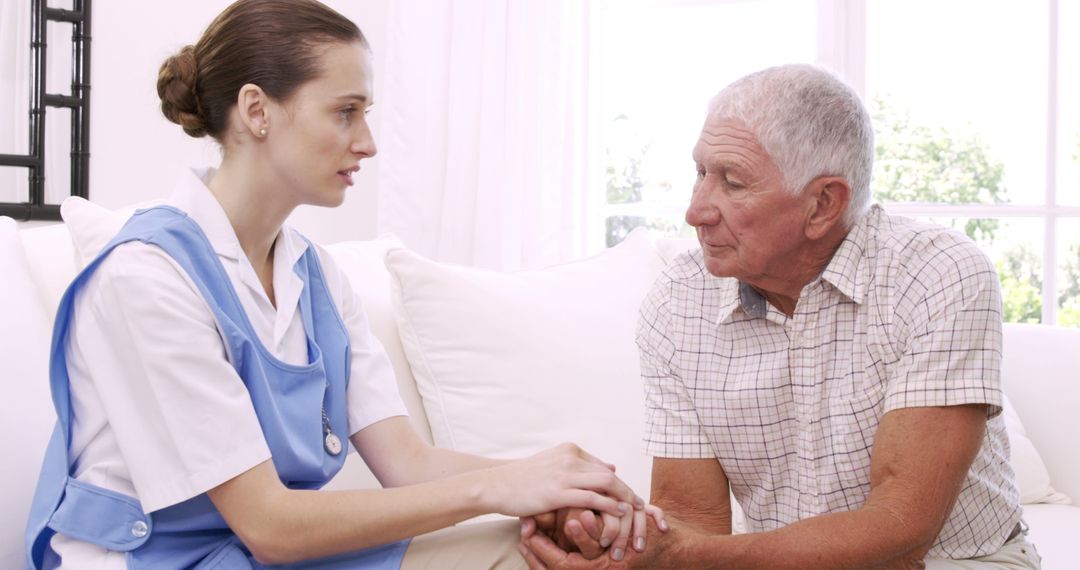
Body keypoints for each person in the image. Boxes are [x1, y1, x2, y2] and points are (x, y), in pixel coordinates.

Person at [23, 1, 662, 568]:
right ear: (256, 111)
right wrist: (496, 489)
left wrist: (558, 484)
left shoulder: (315, 277)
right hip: (151, 558)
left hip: (257, 554)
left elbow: (408, 465)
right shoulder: (146, 278)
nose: (369, 142)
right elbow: (270, 524)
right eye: (346, 112)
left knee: (520, 547)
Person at [519, 64, 1039, 569]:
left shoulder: (937, 272)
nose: (696, 210)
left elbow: (901, 527)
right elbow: (693, 519)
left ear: (822, 205)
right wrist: (615, 544)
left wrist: (676, 556)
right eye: (700, 172)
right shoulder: (678, 299)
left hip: (955, 560)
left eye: (733, 183)